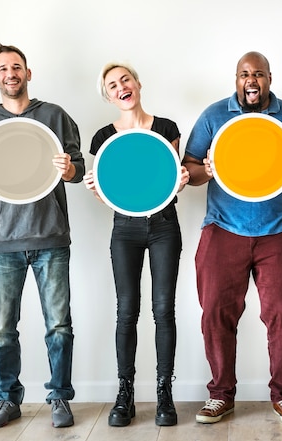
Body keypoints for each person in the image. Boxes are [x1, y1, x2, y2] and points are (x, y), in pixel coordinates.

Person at [182, 51, 282, 425]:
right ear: (236, 79)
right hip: (223, 229)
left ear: (270, 78)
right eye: (245, 74)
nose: (251, 80)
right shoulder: (214, 115)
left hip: (281, 231)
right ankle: (220, 395)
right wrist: (205, 171)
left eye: (258, 74)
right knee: (215, 315)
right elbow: (189, 169)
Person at [0, 43, 85, 428]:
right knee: (2, 328)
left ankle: (60, 399)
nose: (11, 73)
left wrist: (69, 170)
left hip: (51, 236)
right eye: (3, 68)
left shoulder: (54, 116)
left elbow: (79, 169)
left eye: (17, 66)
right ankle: (7, 399)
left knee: (59, 325)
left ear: (28, 73)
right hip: (3, 240)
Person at [83, 62, 190, 427]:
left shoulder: (166, 129)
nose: (121, 87)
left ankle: (164, 394)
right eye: (112, 85)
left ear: (138, 84)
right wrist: (97, 191)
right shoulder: (102, 138)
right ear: (109, 96)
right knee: (126, 310)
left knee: (164, 310)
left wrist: (182, 181)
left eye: (125, 79)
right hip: (124, 229)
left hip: (163, 226)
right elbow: (112, 194)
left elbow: (171, 180)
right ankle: (124, 394)